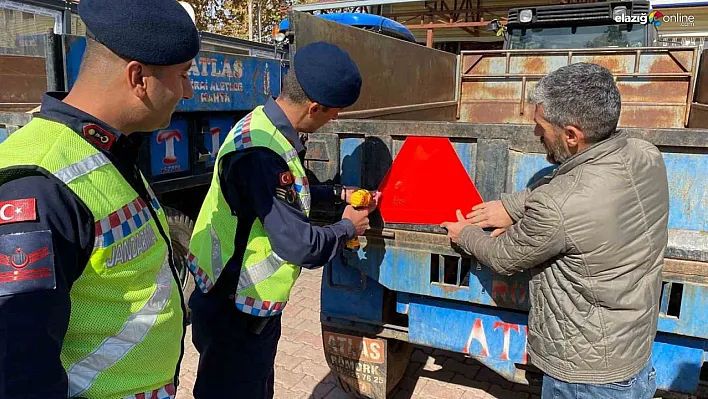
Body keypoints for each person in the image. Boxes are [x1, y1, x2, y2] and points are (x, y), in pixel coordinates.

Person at [0, 0, 199, 397]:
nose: (187, 91)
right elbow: (20, 371)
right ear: (138, 77)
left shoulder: (105, 150)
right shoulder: (38, 185)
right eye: (182, 76)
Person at [441, 63, 668, 399]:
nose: (537, 135)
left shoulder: (559, 206)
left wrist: (465, 235)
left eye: (541, 127)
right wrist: (514, 207)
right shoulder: (644, 154)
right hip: (632, 354)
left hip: (585, 377)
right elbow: (577, 187)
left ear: (572, 135)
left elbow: (503, 256)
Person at [186, 41, 377, 399]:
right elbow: (300, 246)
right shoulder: (261, 154)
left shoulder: (262, 126)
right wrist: (349, 226)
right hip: (238, 310)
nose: (333, 120)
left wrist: (338, 194)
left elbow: (286, 191)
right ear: (315, 107)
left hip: (226, 300)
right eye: (332, 113)